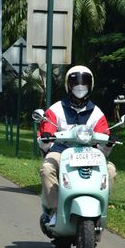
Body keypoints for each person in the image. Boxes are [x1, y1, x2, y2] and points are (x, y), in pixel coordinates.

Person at [37, 65, 117, 227]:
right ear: (68, 85)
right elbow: (45, 136)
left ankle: (100, 206)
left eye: (84, 82)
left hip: (89, 154)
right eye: (75, 83)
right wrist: (46, 140)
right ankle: (54, 210)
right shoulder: (56, 110)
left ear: (91, 85)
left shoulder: (97, 113)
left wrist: (108, 142)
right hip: (61, 152)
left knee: (110, 170)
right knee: (47, 169)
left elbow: (103, 143)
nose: (80, 87)